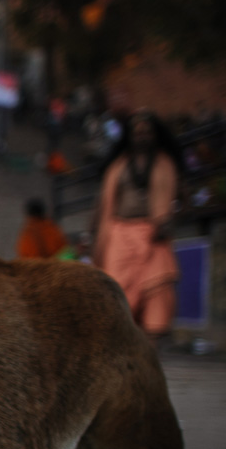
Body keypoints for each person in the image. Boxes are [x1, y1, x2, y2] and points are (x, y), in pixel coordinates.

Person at [92, 110, 181, 341]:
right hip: (119, 235)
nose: (142, 136)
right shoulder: (117, 167)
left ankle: (152, 347)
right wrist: (93, 232)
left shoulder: (164, 164)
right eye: (137, 132)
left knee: (156, 291)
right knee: (118, 292)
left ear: (155, 135)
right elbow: (103, 203)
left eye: (147, 132)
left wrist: (167, 220)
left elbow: (176, 197)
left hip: (153, 236)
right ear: (129, 136)